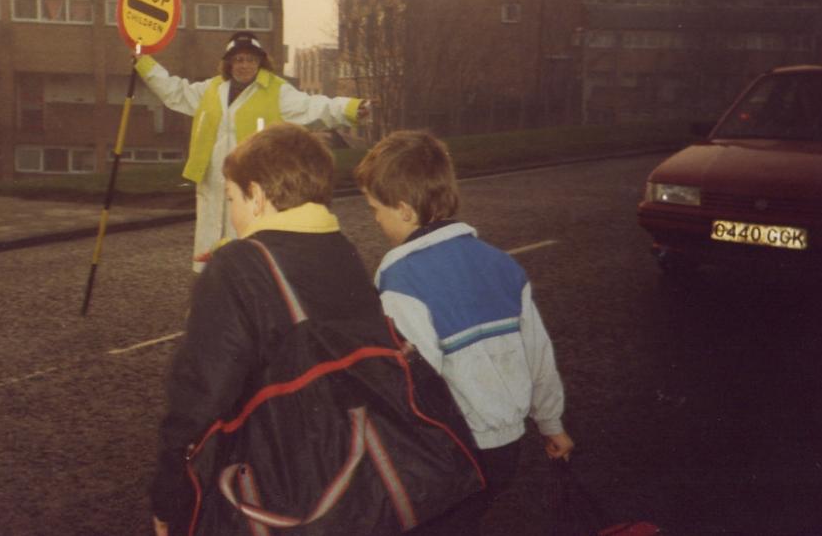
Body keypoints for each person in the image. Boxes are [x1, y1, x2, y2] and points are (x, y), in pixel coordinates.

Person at [150, 124, 481, 536]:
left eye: (232, 198)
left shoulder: (237, 266)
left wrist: (169, 496)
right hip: (363, 478)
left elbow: (198, 396)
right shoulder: (340, 249)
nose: (231, 214)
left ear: (256, 196)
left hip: (289, 487)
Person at [354, 130, 575, 534]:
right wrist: (551, 423)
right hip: (507, 450)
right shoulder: (501, 264)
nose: (375, 219)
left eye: (375, 209)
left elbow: (408, 384)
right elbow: (538, 354)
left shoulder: (402, 280)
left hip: (453, 451)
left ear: (403, 210)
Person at [134, 31, 369, 272]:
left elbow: (312, 107)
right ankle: (209, 290)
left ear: (260, 62)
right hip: (213, 184)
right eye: (238, 59)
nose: (244, 65)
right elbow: (175, 92)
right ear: (229, 63)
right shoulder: (212, 90)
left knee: (249, 248)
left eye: (250, 59)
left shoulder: (277, 91)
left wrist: (349, 108)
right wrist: (144, 63)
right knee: (209, 251)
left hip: (253, 184)